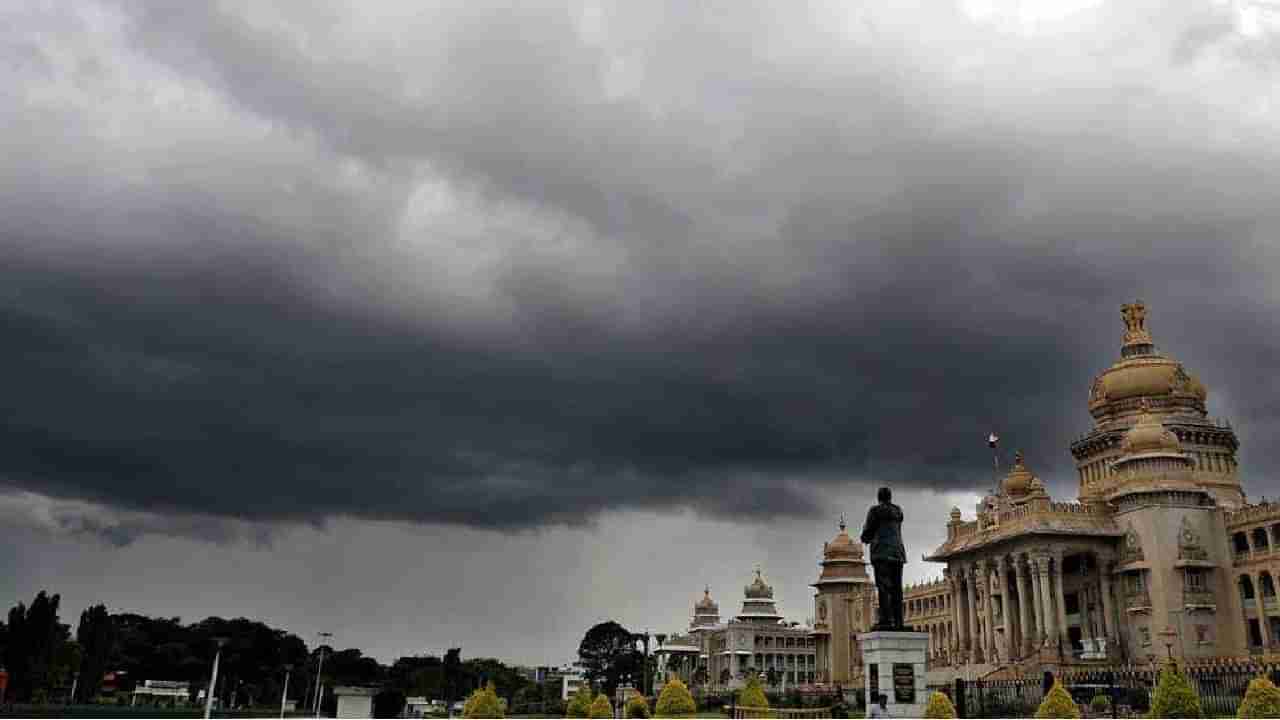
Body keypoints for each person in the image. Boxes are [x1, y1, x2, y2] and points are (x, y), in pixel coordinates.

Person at [860, 487, 907, 630]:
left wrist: (865, 537)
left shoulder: (875, 511)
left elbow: (867, 532)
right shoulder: (898, 511)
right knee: (897, 589)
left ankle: (886, 620)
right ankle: (898, 621)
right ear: (890, 497)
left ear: (879, 498)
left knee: (884, 587)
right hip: (898, 553)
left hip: (882, 553)